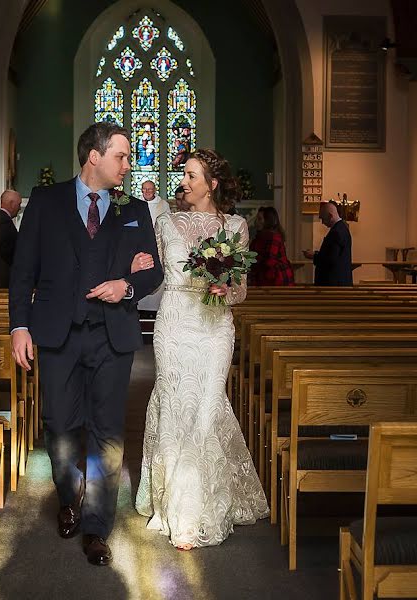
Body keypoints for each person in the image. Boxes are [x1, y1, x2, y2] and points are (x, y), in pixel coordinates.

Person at [9, 122, 163, 566]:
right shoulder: (46, 202)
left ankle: (96, 525)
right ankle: (67, 494)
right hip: (57, 334)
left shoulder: (134, 209)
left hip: (112, 335)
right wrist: (19, 326)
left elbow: (152, 273)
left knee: (108, 433)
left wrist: (126, 285)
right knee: (58, 426)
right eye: (122, 155)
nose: (128, 164)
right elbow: (23, 270)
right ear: (93, 156)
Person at [134, 148, 269, 550]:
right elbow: (156, 279)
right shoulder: (165, 223)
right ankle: (181, 512)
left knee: (208, 407)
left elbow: (241, 289)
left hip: (213, 328)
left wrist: (225, 288)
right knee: (177, 408)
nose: (184, 182)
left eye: (192, 176)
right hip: (174, 324)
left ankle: (201, 506)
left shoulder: (237, 226)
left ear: (212, 184)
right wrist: (135, 270)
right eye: (184, 175)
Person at [302, 200, 353, 286]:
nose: (322, 222)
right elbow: (331, 254)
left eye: (323, 218)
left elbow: (330, 259)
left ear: (330, 216)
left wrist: (313, 256)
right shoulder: (341, 228)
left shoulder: (337, 232)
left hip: (334, 284)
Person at [137, 181, 170, 313]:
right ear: (141, 190)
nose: (147, 192)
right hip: (140, 243)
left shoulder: (164, 205)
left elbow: (167, 224)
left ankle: (155, 307)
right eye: (145, 189)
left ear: (154, 189)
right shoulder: (136, 204)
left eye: (150, 189)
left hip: (158, 243)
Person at [249, 206, 295, 286]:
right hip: (267, 279)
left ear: (268, 221)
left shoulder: (273, 237)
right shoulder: (259, 238)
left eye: (260, 219)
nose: (256, 222)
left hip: (276, 280)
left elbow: (269, 260)